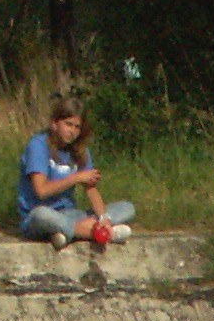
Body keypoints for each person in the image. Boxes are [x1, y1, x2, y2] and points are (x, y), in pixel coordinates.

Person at [17, 96, 134, 246]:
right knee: (42, 215)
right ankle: (100, 234)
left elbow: (91, 190)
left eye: (77, 127)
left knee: (127, 208)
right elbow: (41, 191)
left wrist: (103, 218)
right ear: (54, 123)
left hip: (70, 215)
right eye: (68, 124)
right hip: (40, 216)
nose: (72, 131)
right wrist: (76, 178)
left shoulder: (80, 150)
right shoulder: (38, 146)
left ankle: (67, 233)